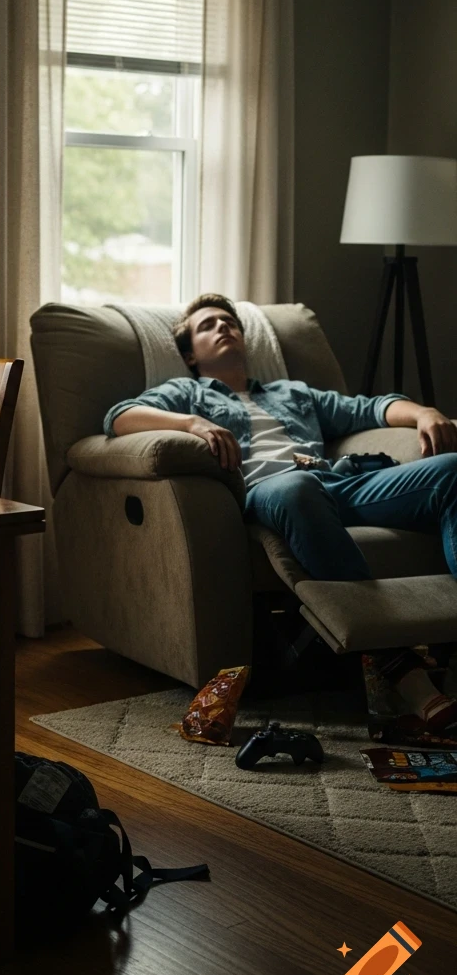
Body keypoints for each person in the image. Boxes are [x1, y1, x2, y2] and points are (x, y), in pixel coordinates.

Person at [103, 292, 457, 736]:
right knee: (297, 487)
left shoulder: (293, 392)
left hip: (337, 482)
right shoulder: (187, 392)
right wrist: (194, 423)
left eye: (230, 322)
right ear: (191, 353)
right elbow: (119, 417)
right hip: (271, 491)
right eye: (208, 325)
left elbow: (369, 408)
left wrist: (425, 412)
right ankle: (402, 668)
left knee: (451, 470)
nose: (223, 327)